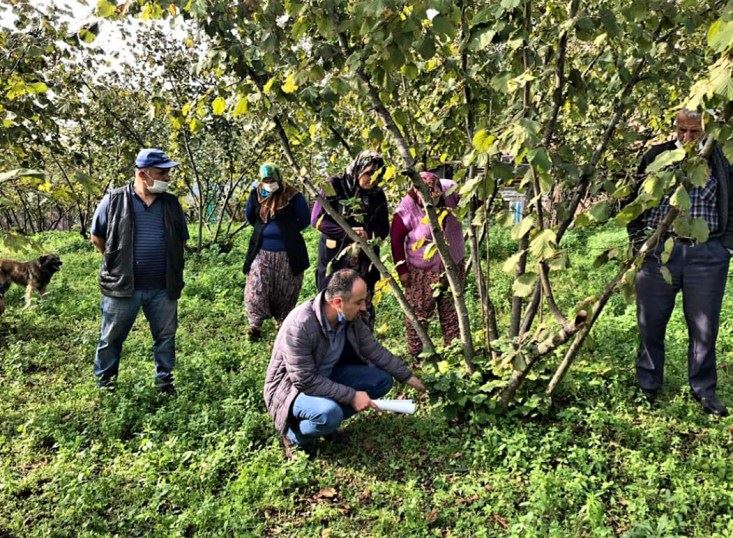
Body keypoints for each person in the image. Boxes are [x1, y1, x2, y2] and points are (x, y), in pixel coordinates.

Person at [627, 108, 732, 416]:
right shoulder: (656, 156)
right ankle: (648, 384)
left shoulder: (720, 159)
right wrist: (639, 243)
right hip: (659, 252)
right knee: (651, 322)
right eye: (681, 130)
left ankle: (703, 390)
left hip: (707, 255)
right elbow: (632, 200)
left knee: (704, 327)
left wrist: (725, 247)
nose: (686, 137)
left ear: (706, 130)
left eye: (694, 132)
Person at [263, 268, 426, 457]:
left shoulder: (350, 317)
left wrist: (408, 377)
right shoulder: (300, 325)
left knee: (382, 380)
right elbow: (304, 380)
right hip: (291, 390)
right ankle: (295, 435)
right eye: (358, 302)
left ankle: (327, 424)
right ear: (337, 302)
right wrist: (351, 396)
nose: (364, 307)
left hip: (328, 374)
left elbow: (372, 349)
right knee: (329, 414)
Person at [90, 148, 188, 394]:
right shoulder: (114, 200)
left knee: (165, 338)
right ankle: (105, 385)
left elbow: (181, 239)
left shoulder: (171, 204)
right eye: (161, 173)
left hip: (163, 287)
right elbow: (97, 237)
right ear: (143, 174)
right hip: (123, 287)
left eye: (168, 173)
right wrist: (117, 262)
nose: (167, 177)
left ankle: (165, 383)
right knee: (111, 338)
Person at [391, 171, 465, 358]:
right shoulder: (407, 207)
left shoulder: (451, 191)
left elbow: (475, 201)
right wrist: (402, 270)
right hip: (421, 271)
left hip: (453, 265)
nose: (434, 201)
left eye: (437, 196)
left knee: (451, 312)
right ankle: (419, 357)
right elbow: (395, 240)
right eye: (428, 198)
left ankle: (455, 353)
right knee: (419, 314)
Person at [310, 150, 389, 324]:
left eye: (378, 174)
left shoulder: (377, 195)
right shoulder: (334, 186)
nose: (373, 179)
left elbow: (384, 228)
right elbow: (316, 220)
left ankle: (360, 345)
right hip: (336, 255)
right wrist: (348, 233)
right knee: (333, 300)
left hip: (364, 259)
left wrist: (369, 235)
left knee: (361, 302)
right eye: (368, 173)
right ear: (358, 169)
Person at [243, 163, 310, 341]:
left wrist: (288, 230)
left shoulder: (293, 195)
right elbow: (250, 216)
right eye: (266, 180)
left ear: (279, 178)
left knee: (286, 288)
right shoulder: (256, 193)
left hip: (288, 253)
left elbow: (304, 220)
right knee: (256, 286)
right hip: (261, 251)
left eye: (272, 179)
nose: (269, 183)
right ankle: (254, 325)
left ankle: (282, 323)